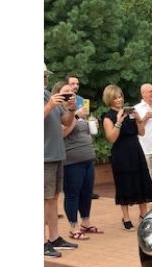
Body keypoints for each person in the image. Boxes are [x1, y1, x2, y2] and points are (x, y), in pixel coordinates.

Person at [101, 84, 152, 230]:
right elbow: (111, 138)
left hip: (136, 150)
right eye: (115, 98)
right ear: (109, 99)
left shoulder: (130, 113)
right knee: (124, 183)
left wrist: (139, 119)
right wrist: (118, 122)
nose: (119, 100)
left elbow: (141, 133)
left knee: (142, 180)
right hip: (121, 153)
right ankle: (126, 217)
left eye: (120, 96)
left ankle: (143, 214)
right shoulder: (108, 116)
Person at [53, 80, 101, 240]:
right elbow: (62, 133)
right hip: (71, 160)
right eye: (66, 92)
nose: (70, 95)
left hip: (87, 158)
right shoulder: (57, 111)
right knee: (72, 194)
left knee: (86, 193)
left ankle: (85, 223)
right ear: (58, 94)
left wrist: (92, 125)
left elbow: (84, 132)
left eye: (72, 92)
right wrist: (76, 115)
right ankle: (73, 228)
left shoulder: (77, 110)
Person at [44, 64, 78, 257]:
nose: (45, 78)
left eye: (45, 75)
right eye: (42, 75)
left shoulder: (48, 95)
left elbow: (65, 121)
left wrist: (71, 109)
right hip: (44, 156)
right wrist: (49, 105)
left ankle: (54, 237)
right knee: (43, 199)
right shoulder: (47, 99)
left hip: (56, 154)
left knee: (53, 198)